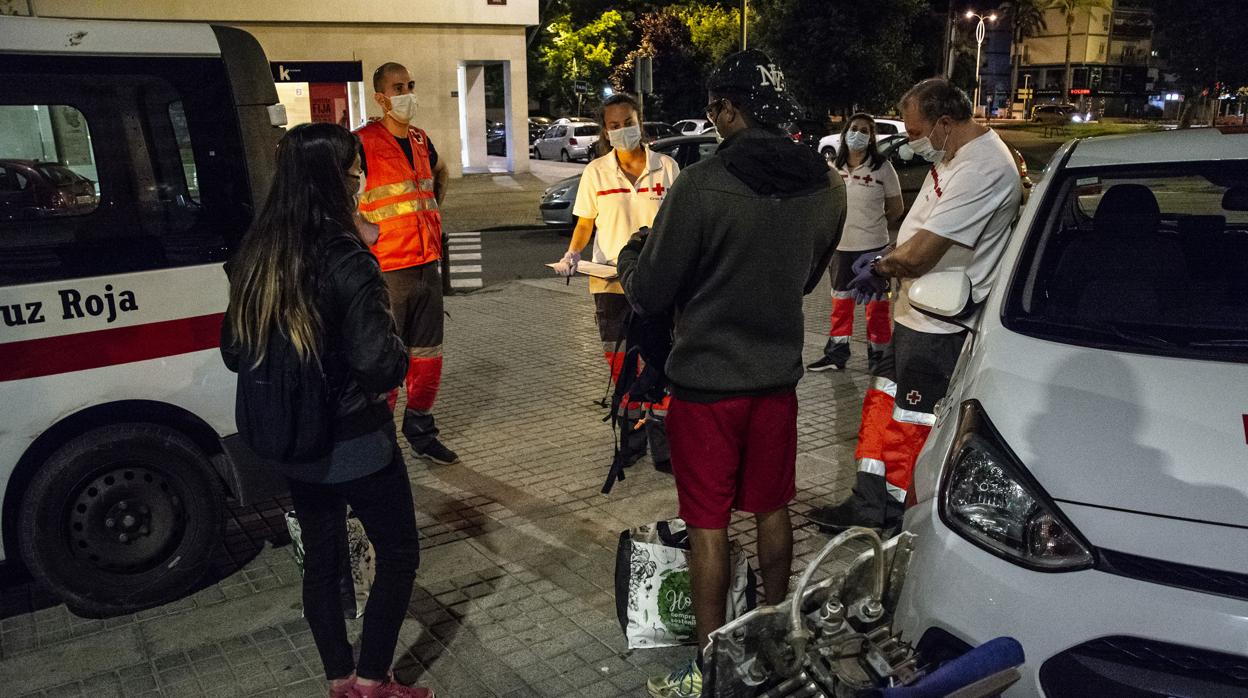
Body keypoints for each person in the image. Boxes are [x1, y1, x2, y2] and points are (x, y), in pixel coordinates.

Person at [616, 51, 845, 698]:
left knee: (709, 525)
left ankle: (712, 664)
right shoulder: (828, 185)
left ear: (727, 108)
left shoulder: (702, 184)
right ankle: (777, 637)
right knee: (773, 509)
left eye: (716, 108)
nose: (712, 120)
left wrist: (634, 254)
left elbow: (653, 291)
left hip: (707, 388)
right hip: (776, 380)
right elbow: (804, 278)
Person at [221, 123, 432, 698]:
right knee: (398, 552)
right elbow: (379, 366)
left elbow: (234, 350)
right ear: (334, 179)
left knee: (321, 559)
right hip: (354, 438)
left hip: (292, 441)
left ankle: (339, 677)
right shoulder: (346, 255)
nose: (360, 180)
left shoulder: (258, 252)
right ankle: (373, 679)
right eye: (353, 171)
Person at [811, 78, 1022, 533]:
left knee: (911, 426)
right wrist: (889, 262)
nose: (910, 141)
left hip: (938, 326)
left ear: (945, 123)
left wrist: (884, 265)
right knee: (882, 407)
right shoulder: (953, 157)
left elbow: (922, 253)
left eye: (914, 131)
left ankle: (903, 518)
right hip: (913, 314)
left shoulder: (982, 169)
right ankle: (867, 505)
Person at [551, 93, 681, 472]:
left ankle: (664, 445)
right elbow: (585, 222)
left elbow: (679, 227)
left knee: (659, 364)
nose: (623, 130)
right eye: (614, 125)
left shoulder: (668, 168)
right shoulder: (596, 172)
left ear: (640, 122)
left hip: (656, 283)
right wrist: (573, 254)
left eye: (628, 122)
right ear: (605, 132)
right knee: (622, 366)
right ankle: (631, 439)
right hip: (609, 284)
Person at [355, 62, 457, 465]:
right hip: (387, 269)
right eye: (399, 87)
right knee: (387, 358)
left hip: (426, 264)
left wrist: (431, 217)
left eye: (410, 85)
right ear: (380, 97)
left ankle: (420, 429)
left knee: (428, 354)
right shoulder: (361, 142)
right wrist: (362, 230)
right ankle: (379, 439)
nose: (407, 93)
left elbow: (440, 175)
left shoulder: (420, 139)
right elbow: (339, 193)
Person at [807, 113, 904, 373]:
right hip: (841, 248)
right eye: (854, 128)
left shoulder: (882, 167)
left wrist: (872, 226)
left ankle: (880, 359)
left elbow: (896, 208)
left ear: (872, 137)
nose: (858, 134)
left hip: (874, 249)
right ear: (845, 132)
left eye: (865, 130)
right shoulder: (833, 168)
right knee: (840, 303)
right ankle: (837, 354)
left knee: (878, 305)